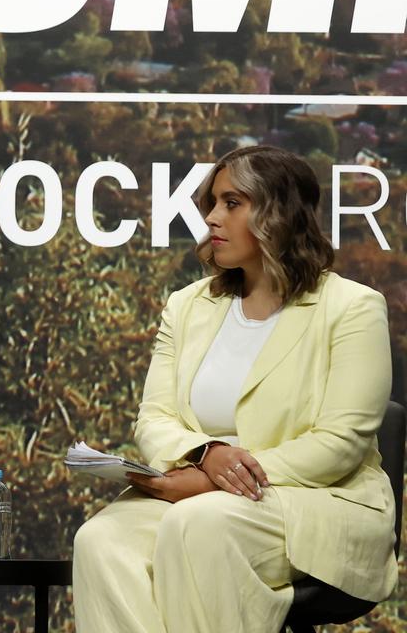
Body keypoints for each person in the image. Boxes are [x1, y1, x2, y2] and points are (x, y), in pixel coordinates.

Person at [71, 145, 397, 633]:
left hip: (316, 500)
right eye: (212, 204)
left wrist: (216, 479)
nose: (212, 218)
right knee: (100, 541)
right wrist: (205, 455)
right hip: (198, 488)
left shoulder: (352, 308)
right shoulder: (187, 306)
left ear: (279, 214)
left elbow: (340, 444)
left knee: (199, 525)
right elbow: (154, 418)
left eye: (231, 203)